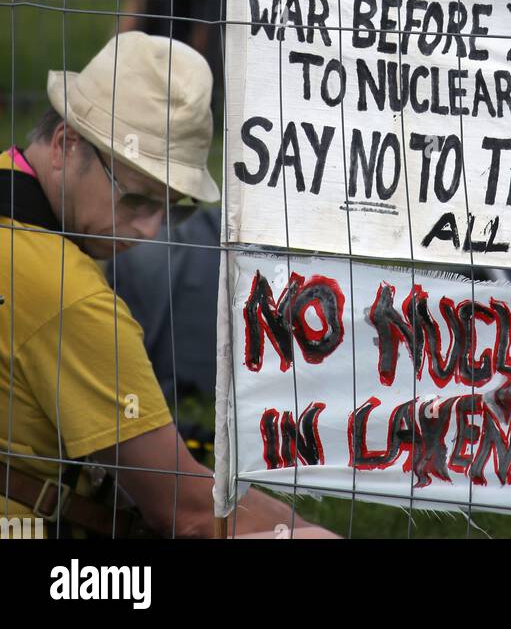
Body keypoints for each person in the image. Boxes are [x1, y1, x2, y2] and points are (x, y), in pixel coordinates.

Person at [0, 31, 335, 539]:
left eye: (173, 207)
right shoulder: (72, 299)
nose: (151, 229)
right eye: (135, 199)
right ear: (67, 145)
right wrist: (305, 527)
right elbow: (187, 512)